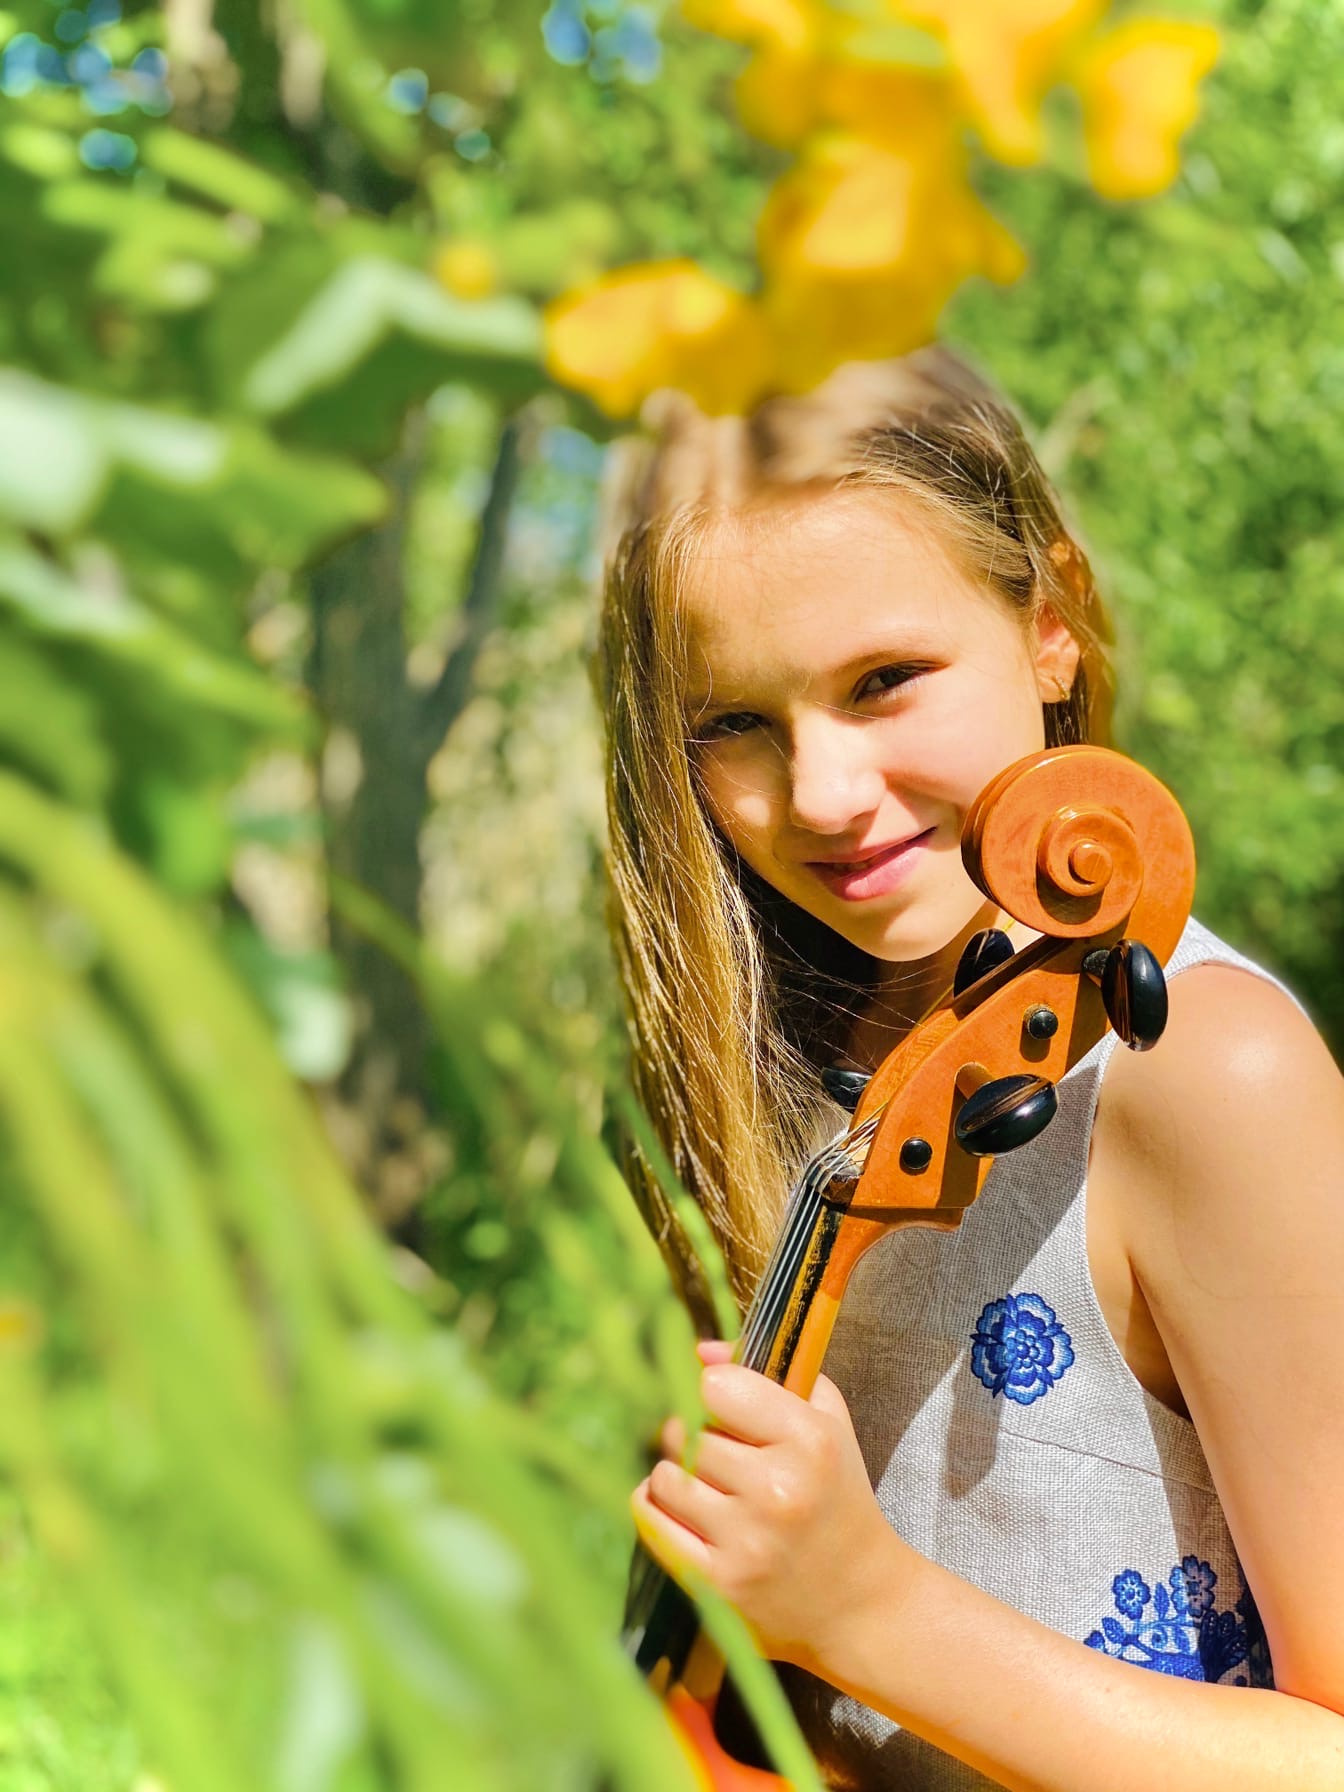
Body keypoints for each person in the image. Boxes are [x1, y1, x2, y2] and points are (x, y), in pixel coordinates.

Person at [600, 350, 1344, 1791]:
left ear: (1049, 626)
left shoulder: (1205, 1074)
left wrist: (865, 1610)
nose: (822, 794)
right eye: (733, 723)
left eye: (884, 681)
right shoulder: (777, 1062)